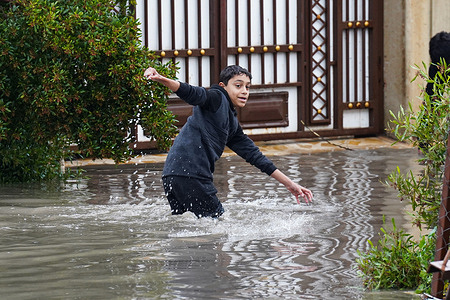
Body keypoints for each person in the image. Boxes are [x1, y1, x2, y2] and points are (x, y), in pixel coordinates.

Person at [144, 65, 313, 218]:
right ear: (223, 86)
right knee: (217, 225)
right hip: (192, 175)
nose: (245, 91)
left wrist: (290, 184)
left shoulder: (232, 125)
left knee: (187, 227)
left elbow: (255, 157)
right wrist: (163, 79)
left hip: (171, 175)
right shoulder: (218, 97)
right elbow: (195, 93)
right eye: (238, 85)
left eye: (247, 87)